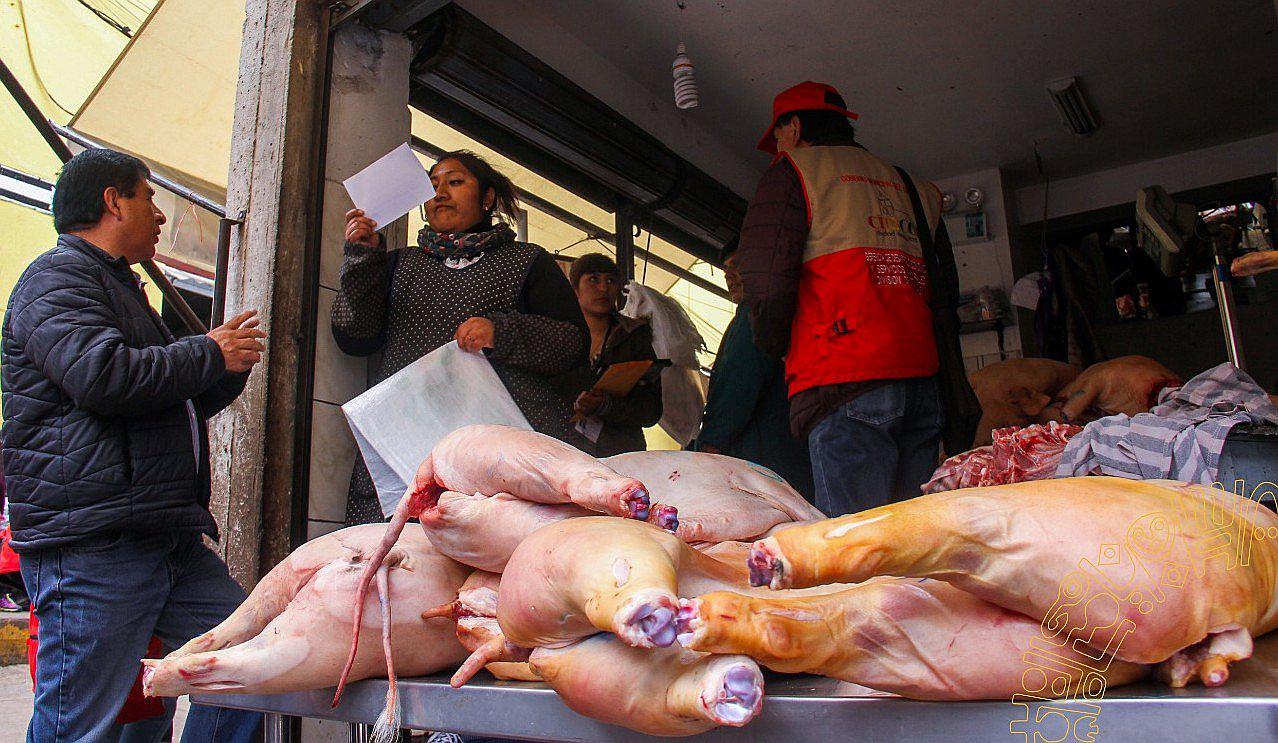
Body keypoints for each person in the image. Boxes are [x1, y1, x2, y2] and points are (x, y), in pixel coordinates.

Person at [1, 148, 264, 742]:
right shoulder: (54, 280)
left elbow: (166, 399)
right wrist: (206, 352)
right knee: (80, 722)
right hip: (95, 542)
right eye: (150, 198)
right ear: (112, 201)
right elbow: (101, 377)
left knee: (250, 664)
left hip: (163, 534)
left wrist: (225, 368)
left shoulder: (120, 288)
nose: (160, 216)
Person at [736, 81, 979, 517]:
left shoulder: (795, 171)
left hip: (842, 379)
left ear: (792, 126)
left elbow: (766, 283)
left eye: (777, 135)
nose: (776, 146)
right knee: (909, 542)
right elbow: (945, 293)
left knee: (856, 549)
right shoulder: (913, 186)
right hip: (922, 382)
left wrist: (772, 347)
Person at [332, 150, 588, 524]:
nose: (440, 194)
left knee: (490, 554)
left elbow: (573, 344)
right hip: (408, 441)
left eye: (455, 182)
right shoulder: (399, 263)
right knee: (394, 556)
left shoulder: (527, 261)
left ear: (487, 199)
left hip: (494, 446)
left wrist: (502, 331)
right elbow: (353, 336)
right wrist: (361, 258)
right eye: (432, 185)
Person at [693, 242, 815, 500]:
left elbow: (739, 382)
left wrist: (711, 441)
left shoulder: (754, 314)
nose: (729, 275)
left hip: (765, 455)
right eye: (725, 269)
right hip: (792, 451)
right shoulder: (782, 310)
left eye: (738, 265)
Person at [560, 253, 662, 457]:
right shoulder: (557, 335)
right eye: (593, 279)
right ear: (575, 289)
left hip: (621, 454)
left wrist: (607, 405)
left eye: (610, 280)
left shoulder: (634, 338)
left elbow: (651, 411)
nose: (603, 288)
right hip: (565, 454)